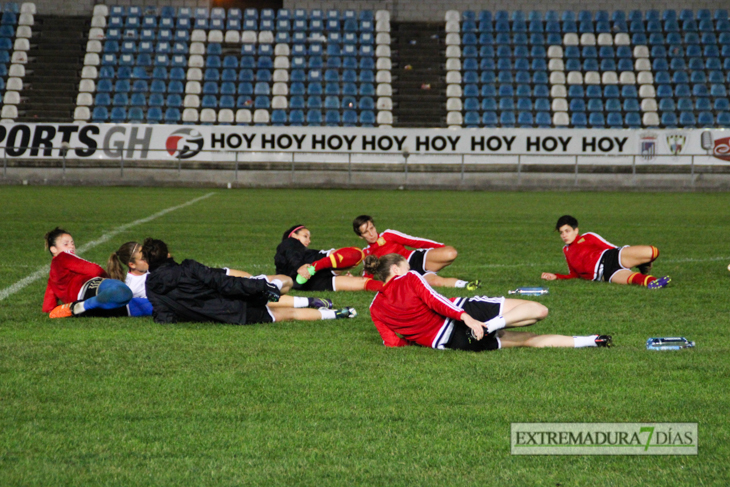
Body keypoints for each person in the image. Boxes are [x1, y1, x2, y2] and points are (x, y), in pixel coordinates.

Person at [366, 253, 612, 351]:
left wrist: (416, 337)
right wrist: (468, 318)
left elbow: (392, 342)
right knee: (539, 310)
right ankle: (492, 324)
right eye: (407, 265)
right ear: (397, 269)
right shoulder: (408, 278)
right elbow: (437, 301)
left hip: (450, 340)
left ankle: (592, 341)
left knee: (526, 340)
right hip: (464, 311)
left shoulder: (375, 308)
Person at [143, 238, 357, 325]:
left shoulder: (151, 284)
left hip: (225, 316)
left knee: (283, 313)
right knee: (276, 302)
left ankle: (333, 313)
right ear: (169, 254)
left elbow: (163, 315)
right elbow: (225, 283)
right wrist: (262, 286)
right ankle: (318, 305)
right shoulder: (188, 267)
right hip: (232, 303)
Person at [108, 241, 333, 310]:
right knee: (277, 285)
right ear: (131, 264)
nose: (148, 258)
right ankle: (307, 303)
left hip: (208, 277)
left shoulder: (157, 270)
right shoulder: (136, 285)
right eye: (143, 257)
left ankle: (276, 293)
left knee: (270, 280)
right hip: (207, 290)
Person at [42, 228, 151, 318]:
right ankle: (80, 306)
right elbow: (94, 270)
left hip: (88, 298)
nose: (71, 246)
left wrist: (54, 310)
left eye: (72, 243)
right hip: (90, 288)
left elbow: (48, 307)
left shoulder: (52, 278)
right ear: (53, 249)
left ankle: (81, 308)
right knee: (123, 292)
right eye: (66, 244)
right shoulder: (63, 256)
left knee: (157, 305)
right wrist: (108, 280)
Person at [352, 215, 481, 290]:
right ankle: (467, 285)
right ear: (360, 236)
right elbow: (366, 280)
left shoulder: (388, 235)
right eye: (366, 232)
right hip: (408, 275)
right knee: (436, 282)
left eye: (372, 228)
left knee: (451, 253)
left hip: (415, 259)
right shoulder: (367, 254)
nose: (371, 233)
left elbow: (415, 241)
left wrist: (440, 246)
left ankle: (438, 261)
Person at [540, 215, 670, 289]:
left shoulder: (588, 237)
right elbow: (574, 274)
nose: (564, 235)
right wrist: (556, 276)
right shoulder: (566, 250)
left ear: (576, 230)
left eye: (567, 231)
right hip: (605, 274)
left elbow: (611, 247)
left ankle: (641, 263)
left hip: (612, 257)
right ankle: (654, 282)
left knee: (653, 252)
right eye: (561, 232)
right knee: (633, 279)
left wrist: (630, 255)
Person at [275, 225, 384, 292]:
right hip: (308, 279)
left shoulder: (298, 253)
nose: (309, 240)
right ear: (293, 235)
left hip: (318, 266)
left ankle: (392, 287)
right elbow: (291, 253)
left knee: (356, 255)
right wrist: (300, 267)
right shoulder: (288, 243)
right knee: (360, 281)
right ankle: (389, 287)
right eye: (305, 236)